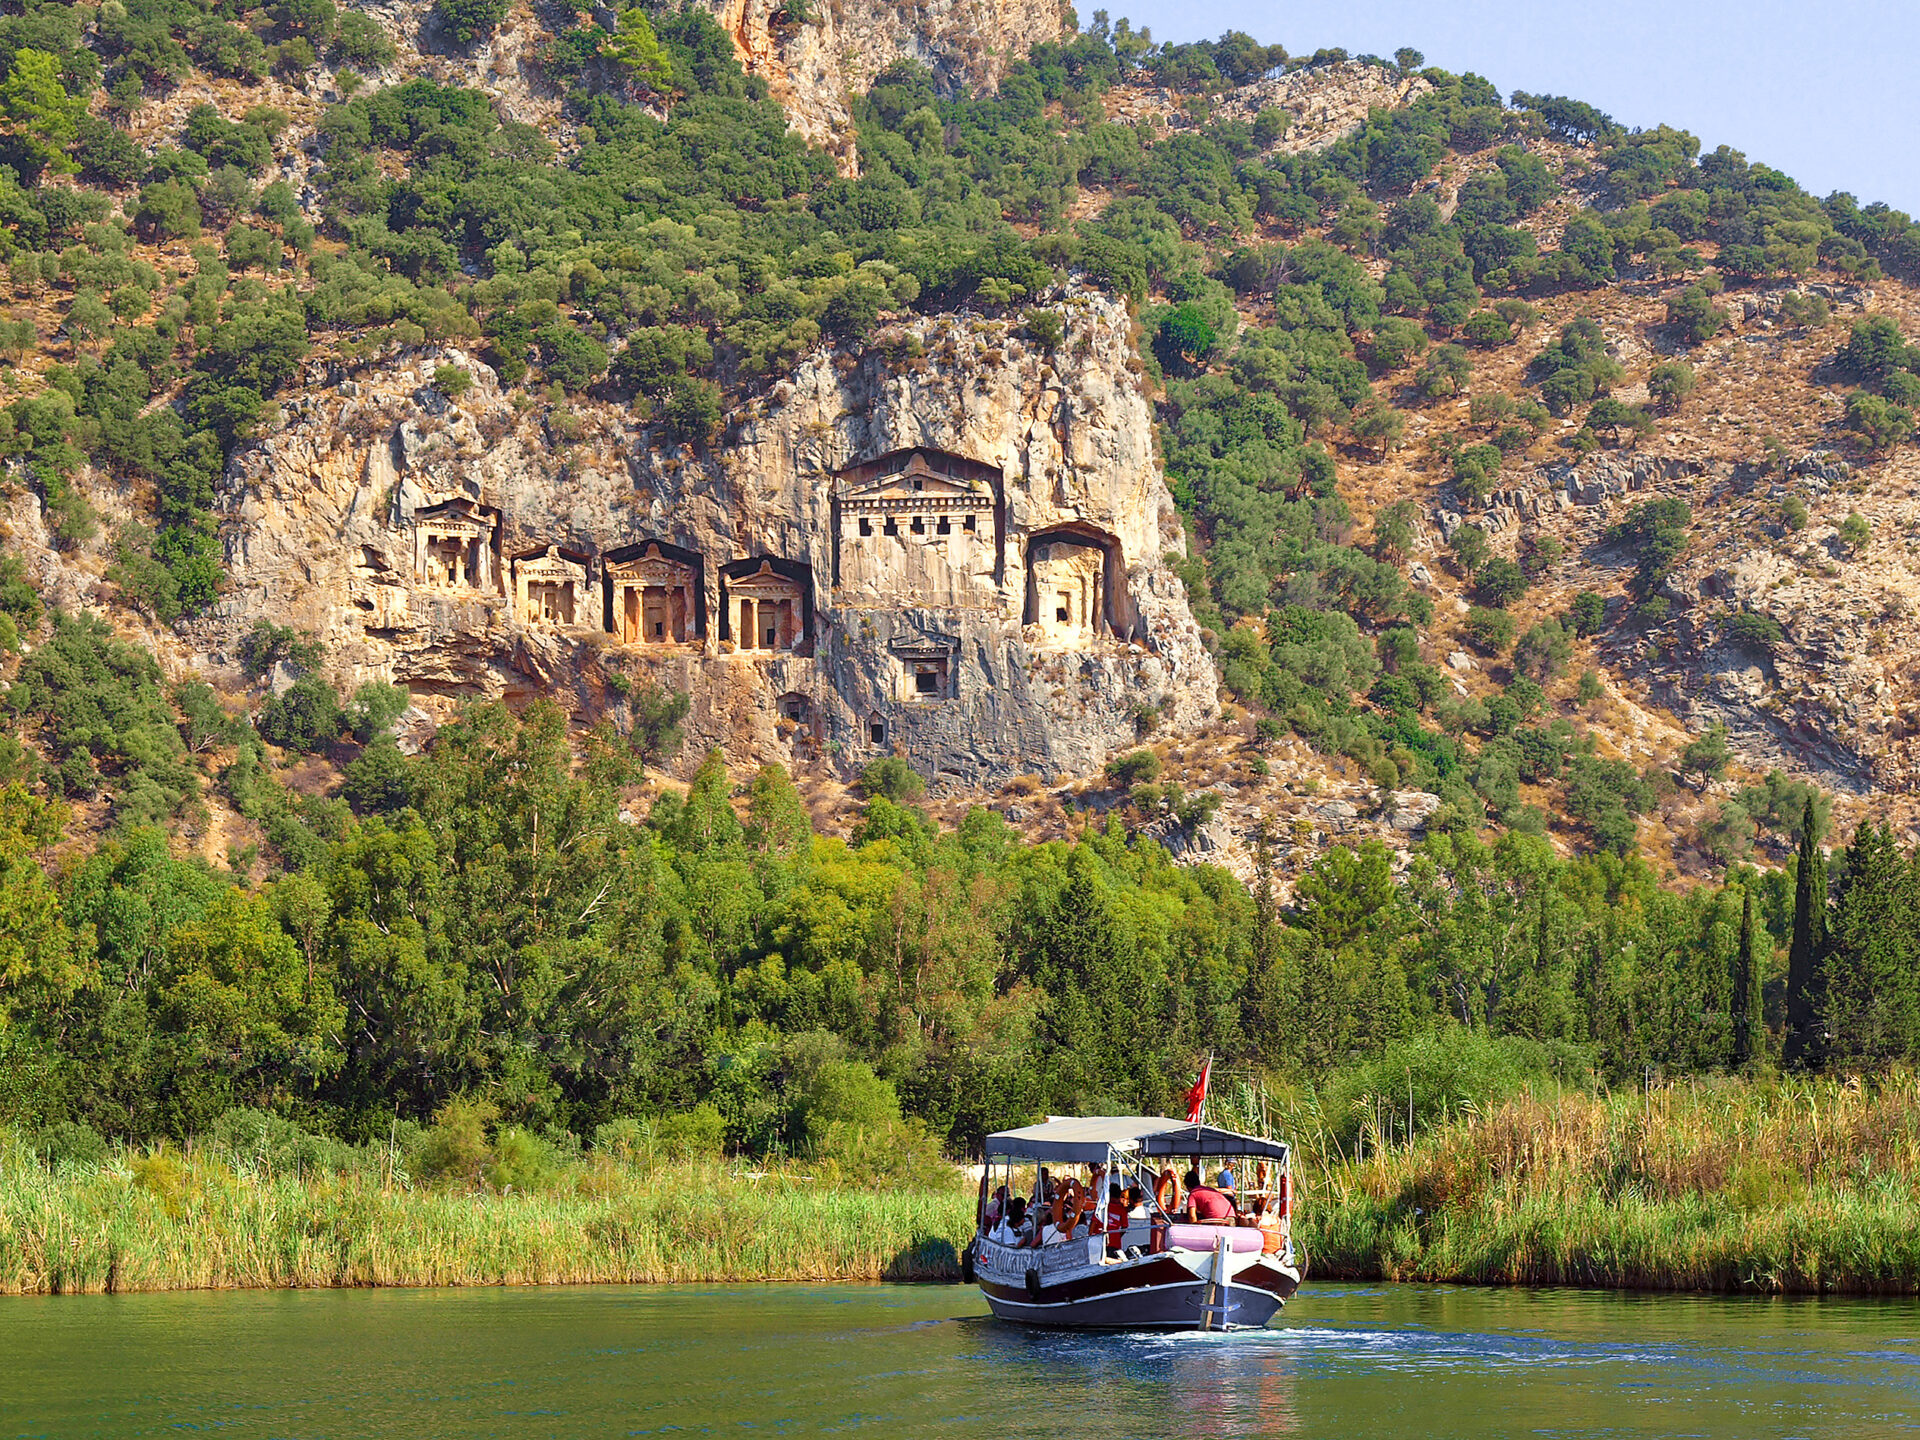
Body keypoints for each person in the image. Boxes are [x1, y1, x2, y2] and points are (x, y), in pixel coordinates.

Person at [1103, 1183, 1129, 1258]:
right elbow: (1125, 1227)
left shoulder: (1103, 1207)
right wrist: (1117, 1235)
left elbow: (1093, 1223)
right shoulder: (1122, 1210)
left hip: (1101, 1242)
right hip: (1115, 1243)